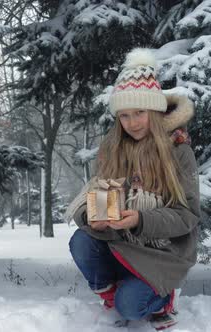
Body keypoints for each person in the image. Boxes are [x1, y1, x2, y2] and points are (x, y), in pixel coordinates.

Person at [65, 48, 200, 331]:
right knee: (81, 240)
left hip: (161, 253)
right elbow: (100, 196)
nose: (133, 123)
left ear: (154, 109)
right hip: (121, 244)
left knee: (130, 307)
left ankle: (161, 296)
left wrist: (141, 219)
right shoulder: (113, 149)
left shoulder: (178, 150)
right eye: (124, 116)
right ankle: (115, 291)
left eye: (140, 112)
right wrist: (96, 216)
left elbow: (187, 217)